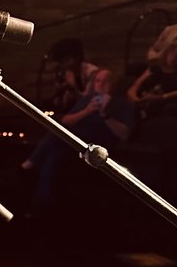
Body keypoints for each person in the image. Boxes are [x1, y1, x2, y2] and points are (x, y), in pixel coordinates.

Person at [22, 68, 136, 212]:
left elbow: (124, 134)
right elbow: (65, 120)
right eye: (98, 81)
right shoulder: (88, 100)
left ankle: (27, 168)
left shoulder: (123, 103)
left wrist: (105, 114)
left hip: (100, 147)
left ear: (113, 84)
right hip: (75, 142)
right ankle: (41, 202)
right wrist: (86, 111)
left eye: (105, 82)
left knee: (58, 141)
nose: (100, 85)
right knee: (55, 152)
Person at [127, 40, 177, 116]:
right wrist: (136, 100)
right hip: (140, 101)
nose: (173, 58)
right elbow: (134, 88)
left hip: (161, 104)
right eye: (171, 53)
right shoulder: (155, 67)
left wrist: (161, 97)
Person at [44, 36, 98, 116]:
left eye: (66, 60)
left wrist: (72, 90)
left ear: (77, 57)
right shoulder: (68, 73)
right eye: (61, 61)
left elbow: (88, 100)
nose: (63, 64)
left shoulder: (92, 73)